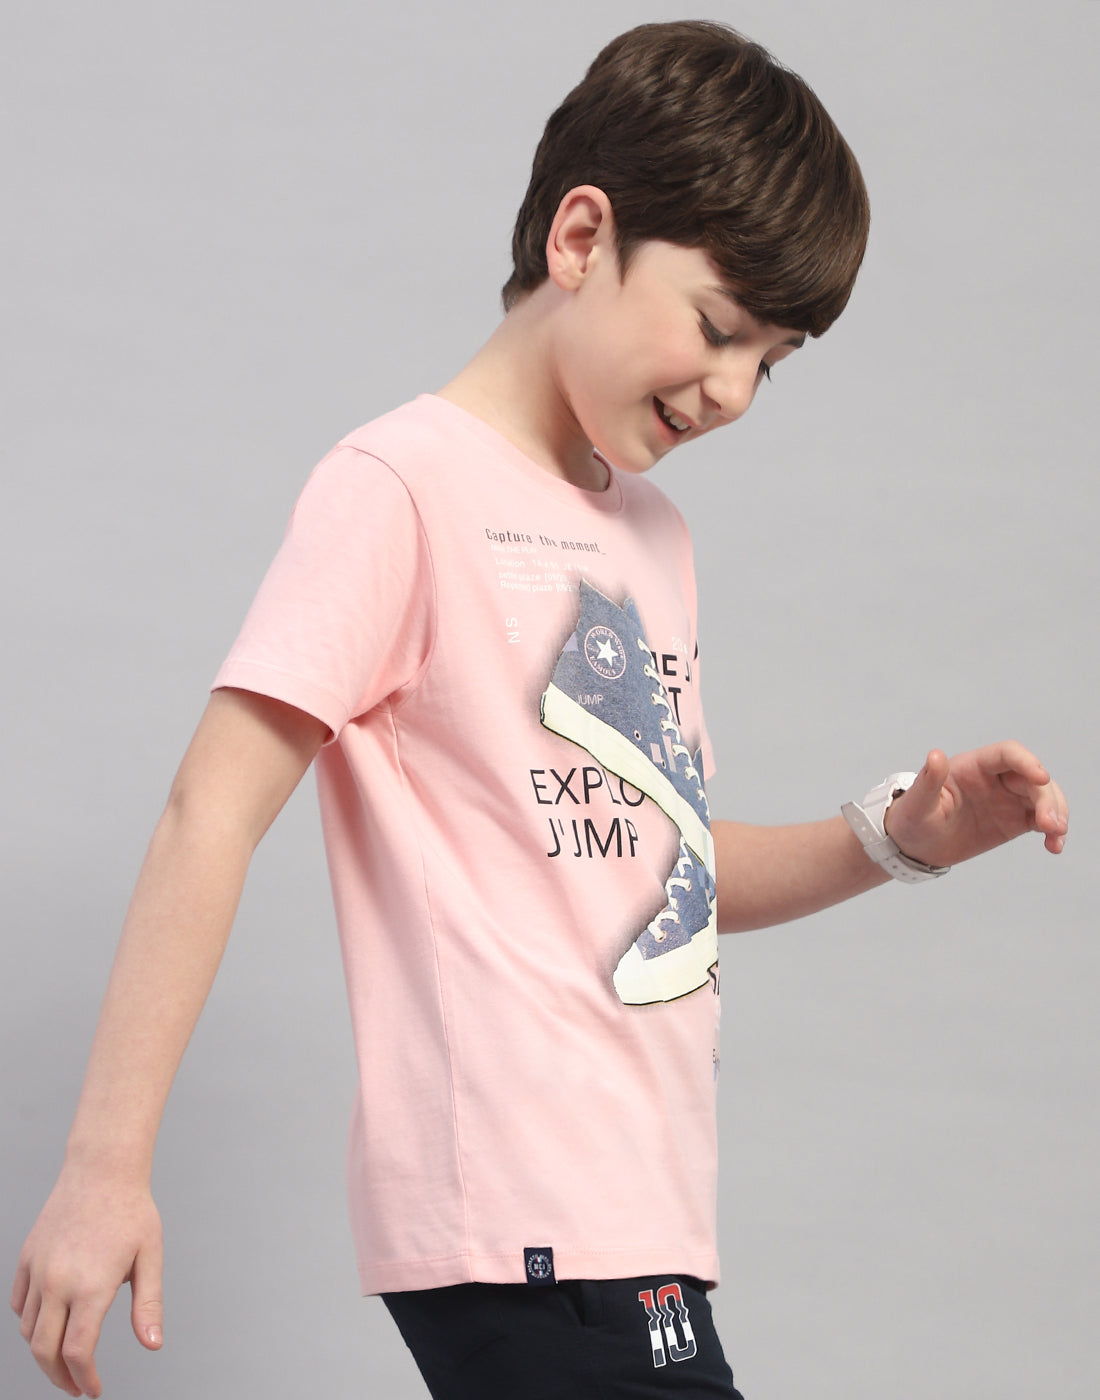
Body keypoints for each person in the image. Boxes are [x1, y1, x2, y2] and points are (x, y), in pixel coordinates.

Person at [10, 20, 1068, 1400]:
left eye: (774, 361)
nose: (734, 393)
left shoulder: (655, 542)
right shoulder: (401, 489)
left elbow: (657, 869)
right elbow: (210, 809)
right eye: (718, 328)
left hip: (646, 1222)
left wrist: (898, 837)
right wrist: (105, 1166)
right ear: (581, 238)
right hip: (517, 1226)